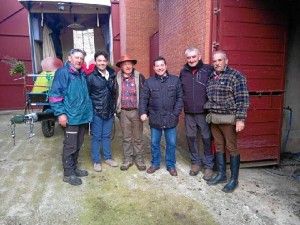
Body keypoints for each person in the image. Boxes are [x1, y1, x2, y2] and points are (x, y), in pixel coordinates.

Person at [204, 50, 250, 193]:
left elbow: (243, 99)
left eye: (220, 60)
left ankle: (234, 180)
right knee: (218, 146)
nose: (216, 63)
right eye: (215, 61)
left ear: (226, 61)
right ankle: (222, 175)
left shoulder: (236, 76)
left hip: (228, 118)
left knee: (232, 147)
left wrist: (240, 119)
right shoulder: (212, 76)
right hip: (214, 118)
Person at [49, 48, 93, 186]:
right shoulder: (63, 73)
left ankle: (74, 168)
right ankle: (68, 174)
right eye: (76, 57)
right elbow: (55, 95)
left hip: (81, 116)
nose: (79, 60)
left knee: (78, 144)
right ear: (69, 58)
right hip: (70, 117)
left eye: (81, 58)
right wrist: (61, 114)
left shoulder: (81, 74)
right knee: (70, 145)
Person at [140, 56, 183, 176]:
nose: (160, 68)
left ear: (166, 66)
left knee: (171, 143)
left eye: (161, 65)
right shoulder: (149, 82)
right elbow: (143, 98)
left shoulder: (175, 81)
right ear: (154, 68)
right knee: (154, 142)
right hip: (155, 117)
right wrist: (143, 112)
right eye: (157, 66)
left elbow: (180, 98)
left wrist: (175, 113)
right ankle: (155, 163)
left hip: (171, 117)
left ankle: (170, 165)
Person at [179, 47, 214, 180]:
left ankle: (208, 165)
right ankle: (195, 162)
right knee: (190, 137)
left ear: (199, 56)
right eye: (189, 58)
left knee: (206, 139)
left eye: (194, 57)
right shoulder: (183, 72)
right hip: (189, 113)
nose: (191, 60)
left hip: (204, 112)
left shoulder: (208, 70)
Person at [86, 50, 118, 172]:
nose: (102, 63)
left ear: (107, 61)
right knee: (96, 137)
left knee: (106, 136)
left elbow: (115, 93)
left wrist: (114, 108)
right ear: (95, 61)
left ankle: (108, 158)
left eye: (104, 60)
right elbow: (87, 95)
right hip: (97, 112)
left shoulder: (112, 75)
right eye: (99, 60)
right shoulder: (90, 77)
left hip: (109, 111)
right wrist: (92, 110)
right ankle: (96, 161)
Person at [115, 55, 146, 171]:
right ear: (121, 66)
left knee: (138, 138)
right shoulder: (116, 78)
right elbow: (114, 94)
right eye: (124, 64)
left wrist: (144, 111)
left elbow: (145, 95)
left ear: (132, 65)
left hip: (137, 111)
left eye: (129, 64)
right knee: (126, 138)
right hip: (123, 112)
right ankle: (128, 159)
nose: (127, 66)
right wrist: (116, 109)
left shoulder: (140, 77)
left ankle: (139, 159)